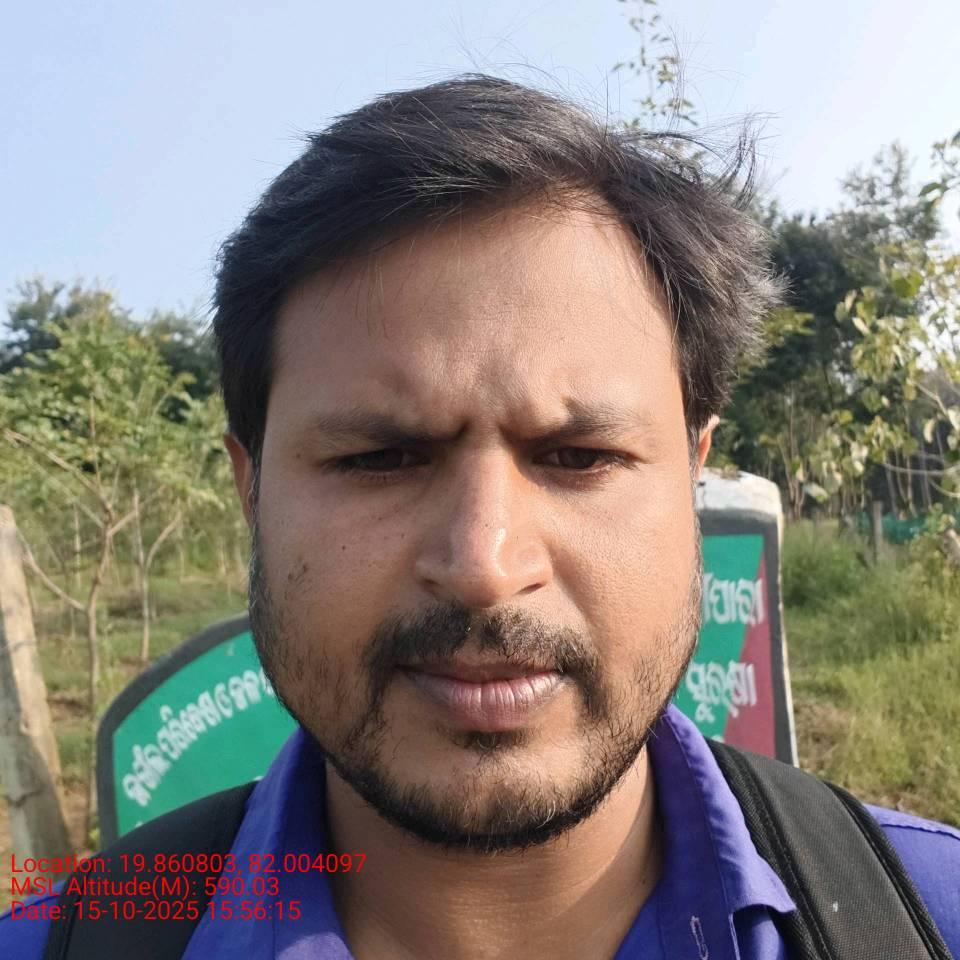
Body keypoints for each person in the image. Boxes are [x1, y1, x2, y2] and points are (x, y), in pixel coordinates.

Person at [2, 74, 958, 960]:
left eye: (580, 457)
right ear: (251, 491)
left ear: (692, 477)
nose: (484, 566)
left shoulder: (926, 919)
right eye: (378, 458)